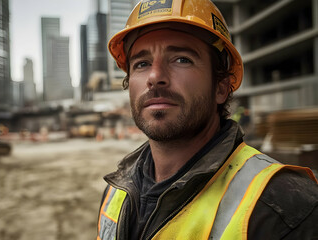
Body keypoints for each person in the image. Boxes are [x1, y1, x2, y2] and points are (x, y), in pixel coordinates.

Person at [97, 0, 318, 239]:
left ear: (221, 88)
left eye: (182, 59)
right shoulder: (116, 194)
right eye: (141, 64)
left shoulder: (283, 208)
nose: (155, 76)